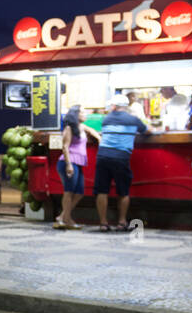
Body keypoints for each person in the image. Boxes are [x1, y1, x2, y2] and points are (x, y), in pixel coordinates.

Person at [93, 94, 149, 231]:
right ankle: (122, 222)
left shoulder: (106, 119)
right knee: (123, 191)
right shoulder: (133, 119)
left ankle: (103, 223)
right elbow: (148, 131)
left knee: (102, 190)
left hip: (103, 156)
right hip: (121, 157)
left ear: (114, 106)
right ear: (126, 106)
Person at [54, 105, 98, 230]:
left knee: (79, 192)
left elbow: (92, 131)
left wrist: (99, 138)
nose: (86, 115)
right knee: (69, 192)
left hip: (78, 163)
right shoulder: (69, 128)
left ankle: (62, 217)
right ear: (76, 114)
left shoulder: (81, 127)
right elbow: (65, 147)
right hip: (68, 162)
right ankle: (67, 220)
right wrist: (68, 165)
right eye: (83, 112)